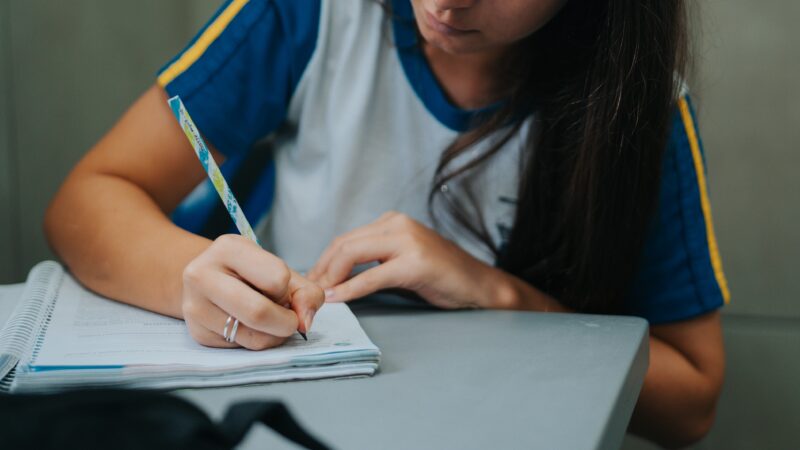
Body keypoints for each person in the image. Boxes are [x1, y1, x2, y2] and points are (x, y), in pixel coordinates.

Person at [45, 0, 728, 446]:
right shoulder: (310, 14)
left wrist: (497, 295)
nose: (445, 4)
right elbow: (88, 198)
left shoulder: (638, 109)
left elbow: (692, 399)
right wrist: (187, 282)